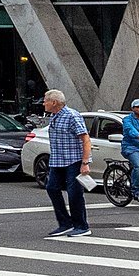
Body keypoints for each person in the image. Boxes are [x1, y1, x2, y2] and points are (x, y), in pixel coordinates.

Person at [41, 89, 91, 236]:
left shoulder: (72, 116)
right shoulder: (54, 116)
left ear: (54, 102)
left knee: (74, 193)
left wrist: (85, 162)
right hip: (57, 160)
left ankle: (82, 226)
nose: (43, 103)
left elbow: (86, 139)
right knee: (52, 188)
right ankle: (65, 223)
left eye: (45, 100)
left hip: (74, 160)